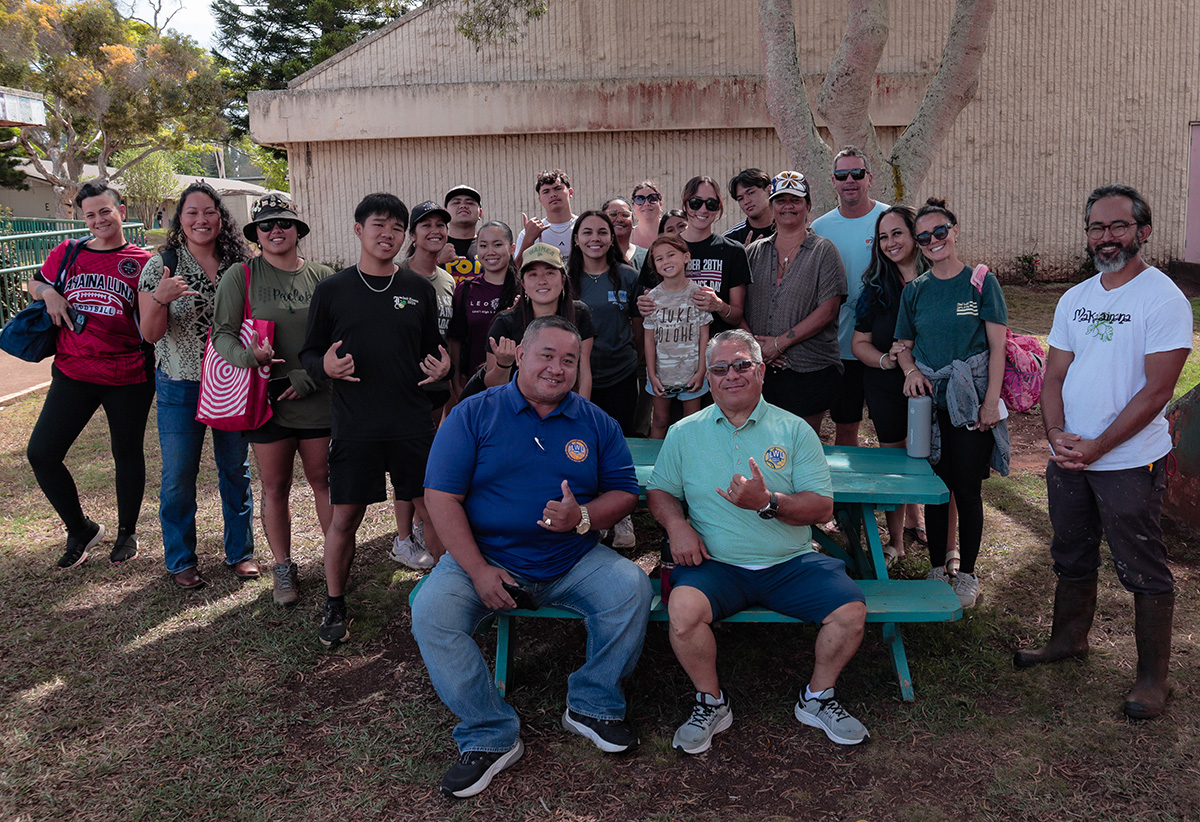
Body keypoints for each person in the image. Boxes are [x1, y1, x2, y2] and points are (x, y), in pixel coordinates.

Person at [412, 315, 652, 798]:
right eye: (546, 355)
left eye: (569, 360)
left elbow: (625, 493)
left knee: (631, 588)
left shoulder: (597, 422)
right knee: (431, 612)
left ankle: (593, 704)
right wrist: (478, 570)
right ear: (519, 355)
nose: (557, 368)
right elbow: (440, 496)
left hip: (571, 560)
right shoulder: (474, 413)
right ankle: (489, 732)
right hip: (485, 557)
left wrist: (581, 516)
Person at [647, 329, 869, 754]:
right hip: (717, 564)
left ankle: (817, 698)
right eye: (719, 368)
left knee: (850, 611)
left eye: (742, 365)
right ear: (708, 378)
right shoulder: (683, 432)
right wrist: (677, 527)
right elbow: (660, 492)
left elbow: (822, 507)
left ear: (761, 371)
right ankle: (711, 702)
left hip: (788, 561)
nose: (731, 375)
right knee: (682, 609)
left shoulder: (795, 430)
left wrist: (767, 502)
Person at [1015, 185, 1191, 720]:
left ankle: (1152, 680)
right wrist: (1056, 435)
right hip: (1071, 455)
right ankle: (1069, 640)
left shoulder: (1163, 299)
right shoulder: (1077, 297)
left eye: (1118, 226)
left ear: (1144, 231)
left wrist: (1098, 446)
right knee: (1071, 552)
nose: (1106, 237)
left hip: (1128, 461)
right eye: (1097, 227)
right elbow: (1054, 374)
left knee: (1142, 566)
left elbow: (1158, 391)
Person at [299, 193, 451, 646]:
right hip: (356, 424)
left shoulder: (419, 289)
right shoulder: (332, 290)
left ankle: (451, 595)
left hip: (411, 421)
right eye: (379, 224)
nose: (388, 234)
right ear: (358, 230)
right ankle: (335, 603)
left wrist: (443, 371)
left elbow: (433, 355)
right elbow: (309, 351)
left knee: (434, 511)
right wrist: (323, 367)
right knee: (345, 517)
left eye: (396, 227)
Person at [26, 181, 155, 570]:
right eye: (90, 214)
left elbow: (151, 319)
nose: (98, 220)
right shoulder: (68, 252)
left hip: (128, 372)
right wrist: (48, 293)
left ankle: (127, 531)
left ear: (122, 211)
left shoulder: (143, 260)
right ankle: (80, 529)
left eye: (105, 211)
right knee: (42, 453)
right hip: (73, 371)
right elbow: (34, 283)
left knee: (126, 452)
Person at [211, 193, 334, 599]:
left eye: (284, 223)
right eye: (266, 225)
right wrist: (249, 357)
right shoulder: (241, 276)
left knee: (323, 481)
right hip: (265, 402)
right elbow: (222, 335)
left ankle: (336, 559)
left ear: (298, 229)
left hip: (316, 397)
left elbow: (340, 339)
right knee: (275, 486)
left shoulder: (322, 277)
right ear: (255, 235)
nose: (275, 230)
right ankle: (283, 567)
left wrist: (308, 377)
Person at [138, 182, 255, 590]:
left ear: (220, 218)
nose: (201, 220)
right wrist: (160, 299)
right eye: (192, 213)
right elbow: (150, 335)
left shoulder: (240, 263)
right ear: (180, 220)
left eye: (209, 212)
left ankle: (240, 553)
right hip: (180, 384)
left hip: (231, 381)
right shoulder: (162, 265)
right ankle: (181, 559)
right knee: (178, 476)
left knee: (235, 470)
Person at [894, 198, 1010, 610]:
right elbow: (902, 346)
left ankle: (969, 574)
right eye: (923, 236)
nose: (932, 241)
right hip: (930, 406)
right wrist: (910, 371)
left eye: (939, 231)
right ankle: (938, 568)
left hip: (971, 405)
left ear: (954, 230)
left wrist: (991, 402)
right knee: (936, 489)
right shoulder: (916, 291)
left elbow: (998, 348)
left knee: (966, 488)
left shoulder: (980, 282)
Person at [850, 205, 932, 566]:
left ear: (916, 234)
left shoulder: (943, 280)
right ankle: (896, 541)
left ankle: (942, 538)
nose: (890, 242)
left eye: (897, 233)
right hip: (885, 386)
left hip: (934, 387)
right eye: (883, 237)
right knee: (896, 461)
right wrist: (887, 360)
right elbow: (859, 343)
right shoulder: (874, 288)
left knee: (936, 460)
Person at [744, 171, 846, 432]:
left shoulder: (824, 251)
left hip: (809, 369)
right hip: (760, 370)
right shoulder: (754, 252)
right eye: (781, 200)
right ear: (772, 205)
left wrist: (779, 343)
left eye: (796, 200)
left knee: (800, 445)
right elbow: (736, 304)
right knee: (760, 442)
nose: (788, 206)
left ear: (808, 205)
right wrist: (757, 348)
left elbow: (828, 310)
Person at [393, 200, 458, 569]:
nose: (435, 230)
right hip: (406, 386)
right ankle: (403, 537)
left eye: (440, 224)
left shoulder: (447, 279)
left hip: (438, 385)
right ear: (412, 234)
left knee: (428, 460)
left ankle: (421, 527)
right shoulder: (397, 275)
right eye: (426, 225)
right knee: (407, 463)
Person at [811, 146, 890, 447]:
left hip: (884, 345)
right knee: (846, 429)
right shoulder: (820, 228)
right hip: (840, 347)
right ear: (833, 182)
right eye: (841, 175)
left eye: (856, 173)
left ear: (869, 177)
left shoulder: (890, 220)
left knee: (893, 431)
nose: (850, 181)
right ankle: (850, 494)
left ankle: (897, 493)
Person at [483, 243, 594, 397]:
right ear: (523, 284)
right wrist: (504, 363)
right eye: (533, 274)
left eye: (549, 273)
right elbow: (492, 385)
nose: (542, 281)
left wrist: (581, 413)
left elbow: (583, 371)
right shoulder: (505, 323)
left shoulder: (579, 313)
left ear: (563, 281)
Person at [568, 210, 641, 434]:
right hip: (577, 378)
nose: (595, 238)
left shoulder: (629, 277)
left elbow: (639, 329)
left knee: (620, 439)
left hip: (621, 376)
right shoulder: (565, 279)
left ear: (611, 239)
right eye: (587, 232)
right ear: (576, 240)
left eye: (602, 233)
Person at [642, 234, 711, 439]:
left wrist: (701, 372)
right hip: (662, 375)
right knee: (660, 421)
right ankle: (654, 465)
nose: (666, 261)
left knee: (692, 423)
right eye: (659, 258)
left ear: (686, 257)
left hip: (692, 375)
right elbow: (648, 340)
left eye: (671, 255)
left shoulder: (698, 294)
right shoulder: (652, 299)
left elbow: (704, 337)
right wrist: (652, 375)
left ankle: (692, 464)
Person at [447, 220, 519, 396]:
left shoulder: (524, 290)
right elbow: (455, 340)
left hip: (519, 388)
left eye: (497, 244)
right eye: (484, 245)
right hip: (475, 386)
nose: (490, 252)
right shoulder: (466, 289)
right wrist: (456, 383)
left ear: (512, 248)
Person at [515, 169, 577, 265]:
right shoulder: (530, 232)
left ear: (570, 192)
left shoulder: (583, 226)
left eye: (558, 188)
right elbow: (515, 272)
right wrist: (528, 239)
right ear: (540, 199)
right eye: (546, 192)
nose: (553, 195)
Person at [440, 184, 483, 282]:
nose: (463, 205)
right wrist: (437, 261)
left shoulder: (489, 246)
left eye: (470, 203)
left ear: (480, 213)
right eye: (456, 202)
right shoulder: (434, 245)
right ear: (445, 213)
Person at [724, 168, 775, 246]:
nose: (746, 201)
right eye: (740, 198)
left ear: (769, 190)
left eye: (751, 193)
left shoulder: (790, 229)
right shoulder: (729, 240)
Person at [603, 196, 646, 270]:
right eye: (613, 214)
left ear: (633, 222)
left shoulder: (646, 257)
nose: (619, 219)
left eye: (625, 215)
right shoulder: (595, 257)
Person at [628, 180, 663, 250]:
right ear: (633, 206)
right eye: (640, 199)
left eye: (652, 198)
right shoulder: (627, 237)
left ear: (660, 203)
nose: (646, 203)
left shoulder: (672, 230)